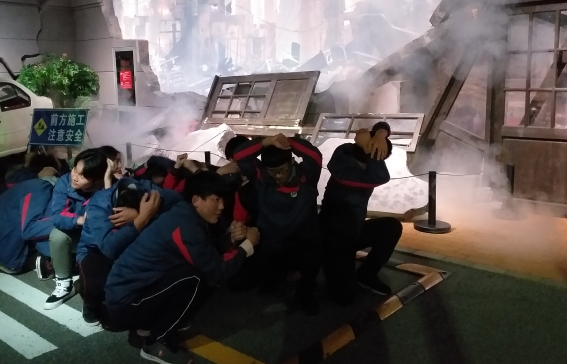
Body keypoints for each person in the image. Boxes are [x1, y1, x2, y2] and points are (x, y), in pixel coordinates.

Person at [105, 172, 259, 363]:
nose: (221, 206)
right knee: (194, 277)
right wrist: (248, 246)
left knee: (192, 272)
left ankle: (151, 324)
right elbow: (219, 271)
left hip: (131, 295)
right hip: (126, 304)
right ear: (196, 200)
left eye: (223, 200)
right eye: (216, 199)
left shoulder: (184, 214)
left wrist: (231, 238)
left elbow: (206, 252)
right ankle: (157, 342)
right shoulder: (186, 225)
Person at [231, 134, 323, 316]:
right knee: (241, 282)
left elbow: (314, 155)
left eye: (282, 170)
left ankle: (305, 294)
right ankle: (273, 280)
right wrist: (266, 141)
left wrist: (287, 141)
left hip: (304, 239)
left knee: (311, 262)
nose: (278, 176)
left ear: (291, 162)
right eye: (273, 172)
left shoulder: (307, 176)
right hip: (271, 240)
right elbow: (239, 155)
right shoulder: (260, 176)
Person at [77, 177, 182, 325]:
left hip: (133, 241)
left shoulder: (148, 189)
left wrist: (142, 216)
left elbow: (179, 203)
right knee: (95, 280)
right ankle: (91, 304)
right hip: (95, 250)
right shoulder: (99, 204)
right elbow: (109, 248)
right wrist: (141, 220)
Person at [320, 123, 403, 305]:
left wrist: (380, 134)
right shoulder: (343, 164)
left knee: (391, 227)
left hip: (353, 232)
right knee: (345, 298)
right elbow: (380, 177)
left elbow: (381, 124)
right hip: (333, 241)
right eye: (378, 157)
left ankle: (366, 274)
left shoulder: (356, 156)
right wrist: (370, 147)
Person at [41, 148, 112, 310]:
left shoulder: (109, 186)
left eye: (82, 175)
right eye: (75, 170)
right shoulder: (65, 183)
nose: (74, 177)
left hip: (100, 237)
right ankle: (64, 283)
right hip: (77, 233)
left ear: (97, 179)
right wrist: (80, 220)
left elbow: (111, 217)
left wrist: (108, 182)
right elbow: (58, 216)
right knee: (57, 235)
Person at [0, 170, 61, 274]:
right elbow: (30, 229)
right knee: (48, 228)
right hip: (5, 250)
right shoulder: (42, 188)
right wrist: (67, 222)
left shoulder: (29, 184)